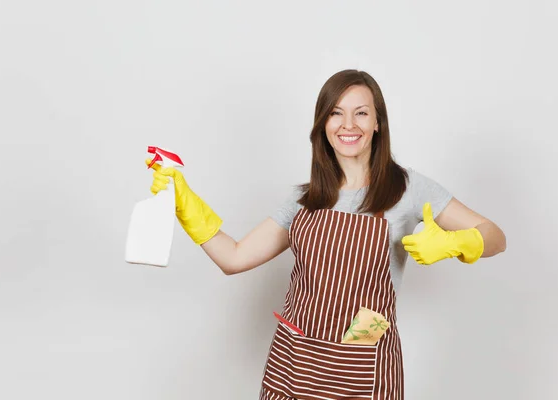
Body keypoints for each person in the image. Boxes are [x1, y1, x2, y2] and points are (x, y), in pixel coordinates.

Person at [145, 69, 507, 400]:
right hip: (293, 362)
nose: (348, 124)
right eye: (336, 112)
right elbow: (234, 258)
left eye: (361, 112)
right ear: (323, 124)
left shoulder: (407, 188)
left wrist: (459, 242)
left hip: (363, 364)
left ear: (378, 122)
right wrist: (185, 204)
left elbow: (494, 235)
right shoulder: (305, 198)